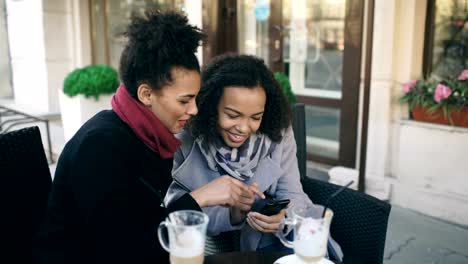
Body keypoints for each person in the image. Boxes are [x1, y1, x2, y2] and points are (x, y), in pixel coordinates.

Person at [33, 11, 260, 264]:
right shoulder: (100, 147)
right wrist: (199, 197)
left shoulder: (151, 136)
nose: (194, 109)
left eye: (195, 98)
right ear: (146, 94)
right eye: (184, 100)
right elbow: (125, 249)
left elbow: (147, 226)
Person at [165, 54, 343, 261]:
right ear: (211, 106)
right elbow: (179, 212)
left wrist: (285, 217)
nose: (243, 128)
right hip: (214, 248)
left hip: (272, 242)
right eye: (232, 115)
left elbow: (292, 191)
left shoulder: (277, 132)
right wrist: (233, 214)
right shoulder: (183, 139)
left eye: (255, 118)